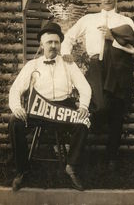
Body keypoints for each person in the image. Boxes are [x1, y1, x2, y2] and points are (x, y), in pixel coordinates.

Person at [61, 0, 134, 170]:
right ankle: (79, 147)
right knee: (100, 106)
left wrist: (113, 39)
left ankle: (111, 157)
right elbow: (69, 38)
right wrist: (66, 53)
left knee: (117, 111)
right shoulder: (89, 19)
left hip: (120, 67)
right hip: (97, 67)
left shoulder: (125, 21)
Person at [8, 21, 91, 191]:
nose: (53, 46)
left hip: (63, 109)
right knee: (14, 121)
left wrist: (83, 106)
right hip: (39, 110)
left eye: (56, 42)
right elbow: (16, 89)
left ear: (60, 44)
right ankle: (22, 170)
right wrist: (17, 107)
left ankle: (71, 166)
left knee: (84, 122)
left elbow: (85, 88)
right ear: (42, 44)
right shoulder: (33, 65)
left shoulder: (69, 64)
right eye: (49, 42)